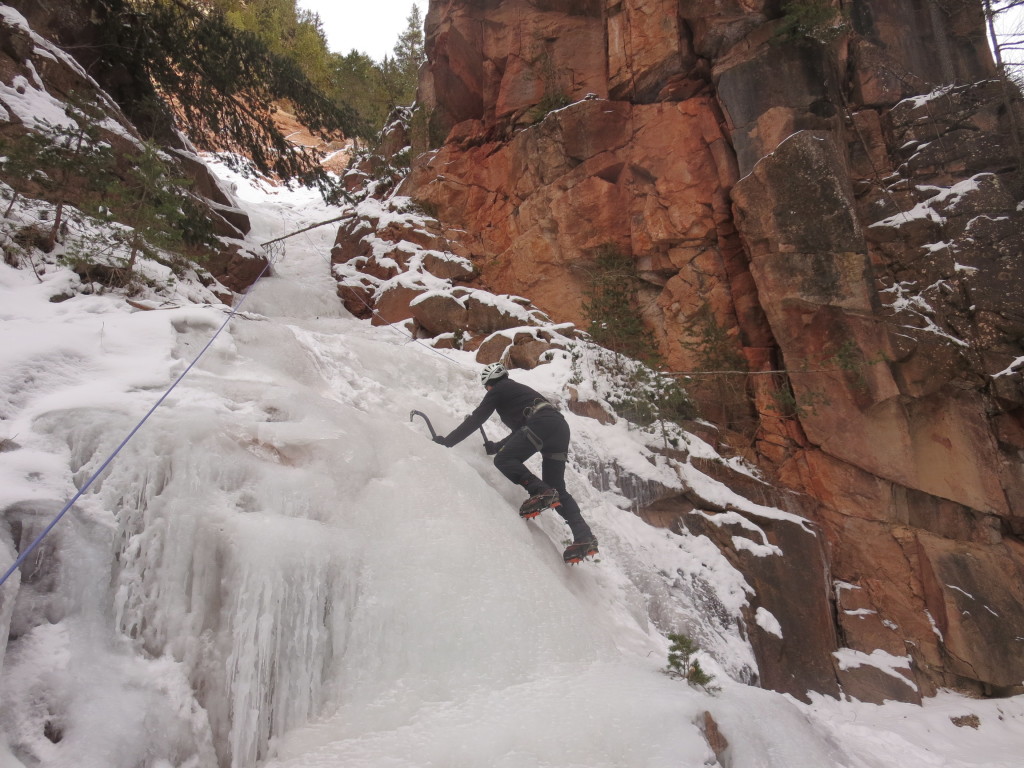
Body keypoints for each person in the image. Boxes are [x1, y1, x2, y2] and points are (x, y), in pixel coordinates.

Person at [433, 363, 599, 563]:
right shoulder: (518, 392)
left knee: (504, 460)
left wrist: (447, 442)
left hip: (541, 424)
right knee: (557, 488)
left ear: (489, 385)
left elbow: (477, 419)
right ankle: (584, 537)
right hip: (558, 428)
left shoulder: (500, 389)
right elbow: (520, 432)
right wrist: (496, 446)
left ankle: (540, 491)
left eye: (487, 388)